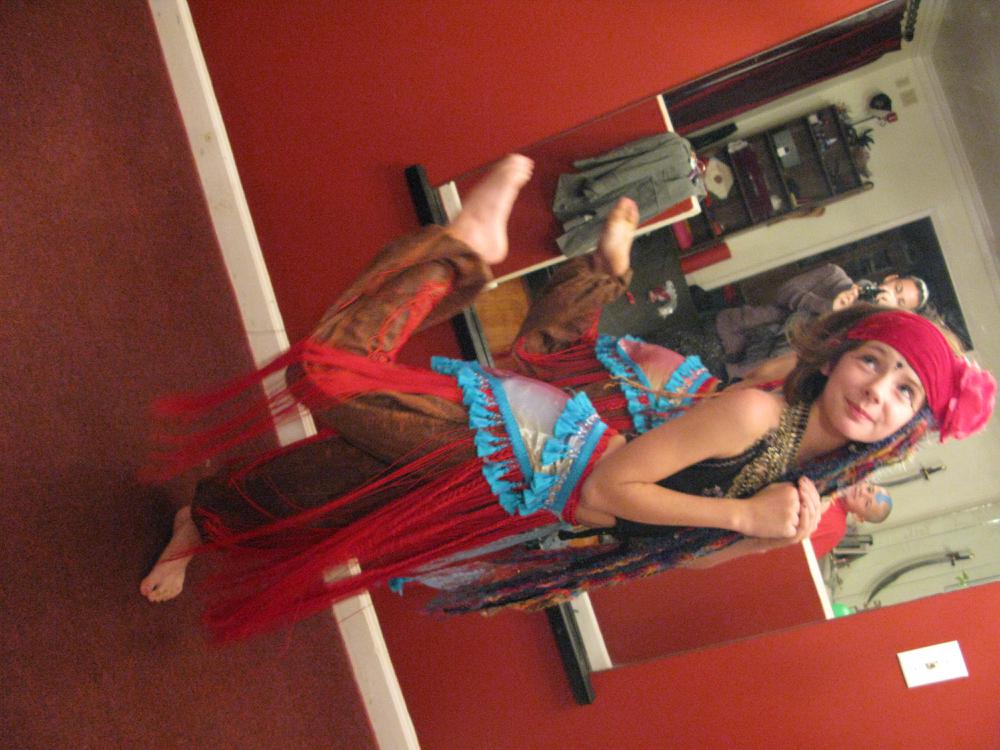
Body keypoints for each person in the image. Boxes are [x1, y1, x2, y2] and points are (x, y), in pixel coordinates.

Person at [140, 155, 994, 642]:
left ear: (911, 427)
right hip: (530, 451)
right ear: (841, 356)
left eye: (904, 389)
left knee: (343, 497)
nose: (877, 390)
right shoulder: (759, 414)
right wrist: (745, 517)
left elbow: (686, 551)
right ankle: (459, 252)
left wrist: (761, 532)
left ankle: (202, 523)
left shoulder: (806, 492)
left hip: (523, 510)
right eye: (873, 362)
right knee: (333, 380)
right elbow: (613, 487)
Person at [714, 262, 931, 379]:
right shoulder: (834, 276)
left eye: (899, 302)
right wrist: (829, 307)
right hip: (731, 332)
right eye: (897, 288)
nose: (892, 295)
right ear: (891, 278)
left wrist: (851, 316)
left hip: (745, 375)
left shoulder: (861, 340)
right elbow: (784, 292)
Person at [809, 481, 892, 559]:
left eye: (867, 503)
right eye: (869, 489)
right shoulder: (837, 476)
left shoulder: (835, 528)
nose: (862, 492)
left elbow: (803, 554)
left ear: (859, 517)